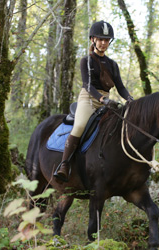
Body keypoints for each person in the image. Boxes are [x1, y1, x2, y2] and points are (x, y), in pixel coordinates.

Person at [54, 20, 133, 182]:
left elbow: (121, 87)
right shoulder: (86, 60)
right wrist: (102, 99)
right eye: (100, 39)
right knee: (80, 125)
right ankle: (64, 164)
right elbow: (87, 85)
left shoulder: (113, 64)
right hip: (88, 98)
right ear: (93, 40)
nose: (103, 43)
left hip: (106, 100)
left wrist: (131, 99)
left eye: (106, 40)